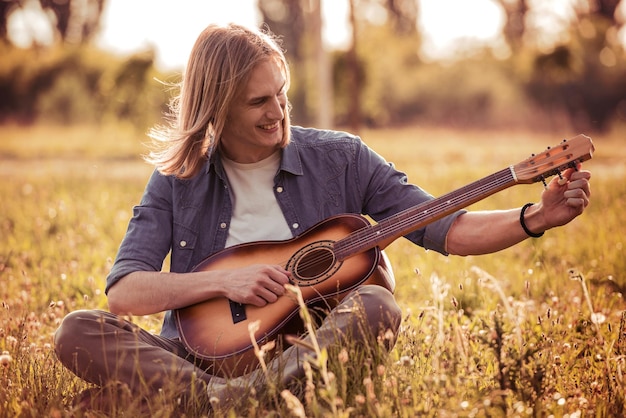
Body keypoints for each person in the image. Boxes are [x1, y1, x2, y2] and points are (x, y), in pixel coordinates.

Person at [54, 23, 591, 413]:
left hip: (301, 355)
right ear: (216, 108)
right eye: (258, 101)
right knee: (76, 331)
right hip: (196, 356)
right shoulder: (178, 179)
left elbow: (448, 227)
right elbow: (125, 292)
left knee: (377, 304)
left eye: (282, 94)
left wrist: (533, 217)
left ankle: (207, 403)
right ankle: (229, 401)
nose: (278, 112)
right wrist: (224, 281)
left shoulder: (341, 157)